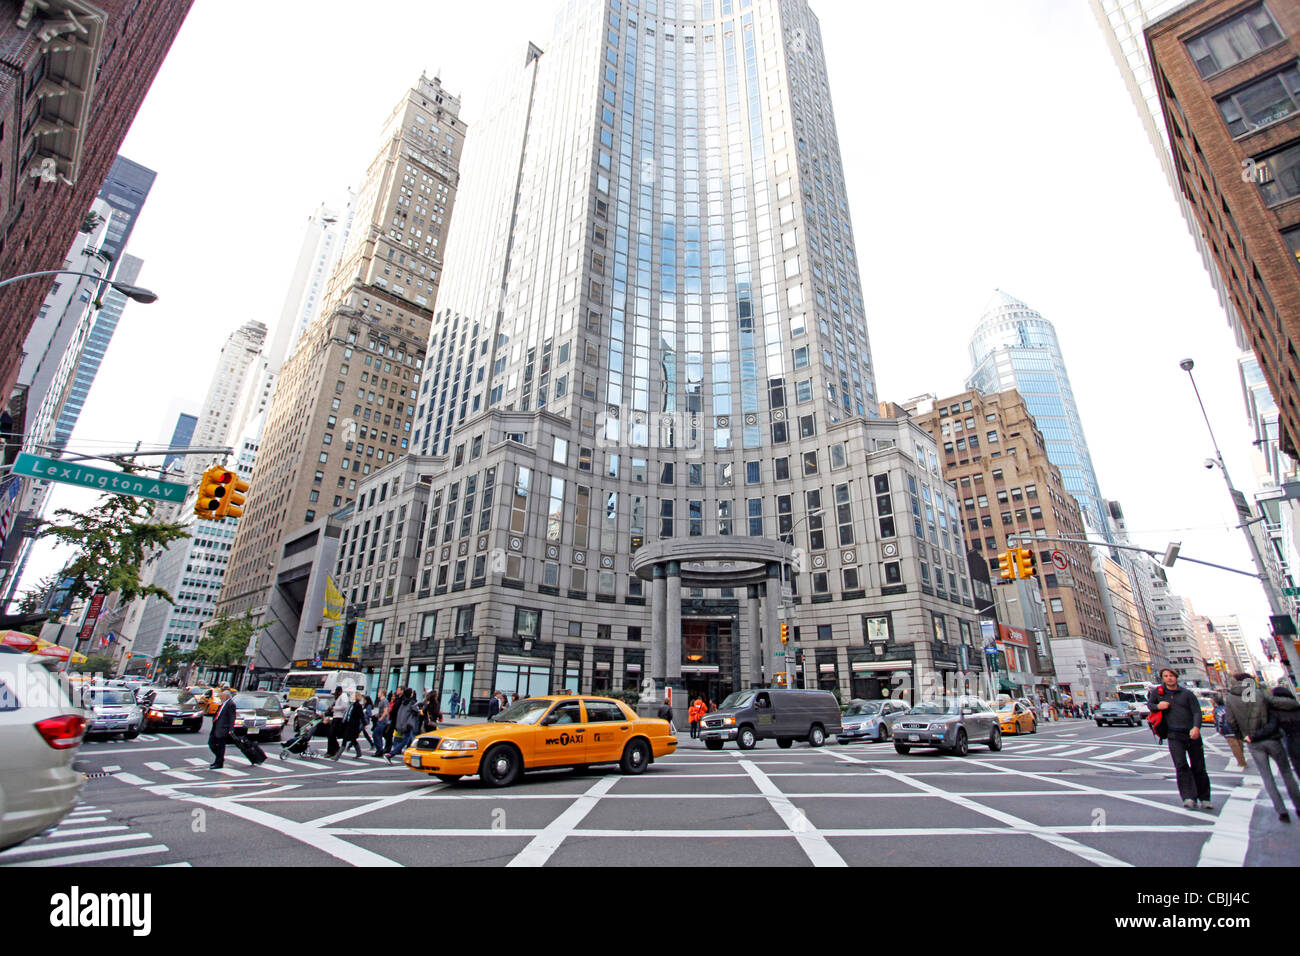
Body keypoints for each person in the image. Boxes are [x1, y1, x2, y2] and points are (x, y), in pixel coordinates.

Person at [1226, 673, 1300, 822]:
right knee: (1286, 773)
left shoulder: (1231, 699)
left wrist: (1243, 736)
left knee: (1267, 777)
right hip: (1271, 738)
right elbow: (1284, 704)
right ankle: (1298, 806)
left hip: (1253, 743)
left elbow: (1231, 721)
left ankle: (1281, 811)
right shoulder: (1259, 694)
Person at [1148, 668, 1212, 810]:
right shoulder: (1158, 693)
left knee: (1199, 767)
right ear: (1162, 678)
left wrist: (1196, 728)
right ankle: (1188, 797)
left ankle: (1205, 797)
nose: (1169, 678)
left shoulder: (1187, 694)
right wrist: (1158, 706)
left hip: (1191, 734)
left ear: (1176, 677)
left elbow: (1196, 712)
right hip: (1173, 735)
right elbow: (1150, 706)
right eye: (1166, 676)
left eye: (1171, 676)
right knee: (1181, 766)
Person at [1261, 685, 1300, 776]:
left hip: (1293, 741)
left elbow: (1271, 728)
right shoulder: (1297, 705)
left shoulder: (1276, 712)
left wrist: (1253, 736)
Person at [1212, 692, 1248, 771]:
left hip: (1227, 730)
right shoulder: (1229, 708)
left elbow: (1218, 721)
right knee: (1240, 744)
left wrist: (1219, 730)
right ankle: (1242, 759)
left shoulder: (1217, 710)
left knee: (1235, 747)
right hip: (1237, 728)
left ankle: (1242, 762)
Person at [386, 687, 420, 763]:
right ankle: (390, 754)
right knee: (405, 741)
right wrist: (415, 701)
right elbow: (416, 711)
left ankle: (410, 755)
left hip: (402, 723)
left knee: (411, 740)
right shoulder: (411, 703)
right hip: (408, 724)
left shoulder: (403, 702)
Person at [208, 689, 237, 769]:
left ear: (226, 696)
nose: (221, 696)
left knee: (221, 747)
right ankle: (219, 759)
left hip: (223, 728)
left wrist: (231, 729)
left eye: (222, 695)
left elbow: (232, 717)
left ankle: (219, 762)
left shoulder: (230, 704)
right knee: (211, 743)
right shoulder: (223, 703)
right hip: (216, 727)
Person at [333, 691, 366, 761]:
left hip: (353, 726)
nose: (351, 697)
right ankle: (359, 753)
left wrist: (365, 724)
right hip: (347, 724)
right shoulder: (351, 705)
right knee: (353, 739)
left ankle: (337, 756)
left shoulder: (358, 706)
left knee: (345, 740)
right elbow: (347, 714)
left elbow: (361, 716)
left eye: (352, 696)